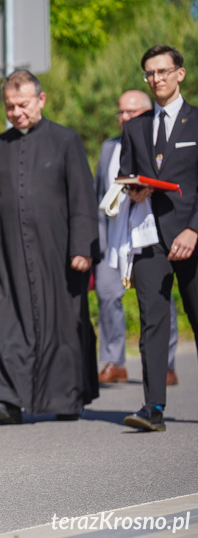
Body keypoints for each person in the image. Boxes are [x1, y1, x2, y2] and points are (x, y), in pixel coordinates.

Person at [0, 69, 99, 425]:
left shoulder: (66, 140)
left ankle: (66, 397)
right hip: (7, 256)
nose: (16, 112)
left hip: (59, 253)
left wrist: (83, 247)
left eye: (23, 104)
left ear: (41, 100)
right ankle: (5, 398)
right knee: (6, 324)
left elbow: (82, 198)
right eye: (10, 106)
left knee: (64, 324)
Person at [120, 45, 198, 432]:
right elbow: (126, 175)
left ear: (180, 74)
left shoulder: (197, 122)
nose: (157, 79)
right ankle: (153, 407)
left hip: (192, 237)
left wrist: (194, 228)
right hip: (149, 237)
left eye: (164, 71)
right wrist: (133, 190)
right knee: (152, 322)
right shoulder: (134, 127)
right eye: (150, 74)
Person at [95, 90, 179, 387]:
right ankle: (114, 362)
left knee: (158, 301)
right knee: (106, 297)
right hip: (112, 239)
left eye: (132, 112)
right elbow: (99, 195)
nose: (125, 118)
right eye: (121, 112)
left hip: (147, 236)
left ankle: (165, 365)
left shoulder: (159, 145)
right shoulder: (108, 148)